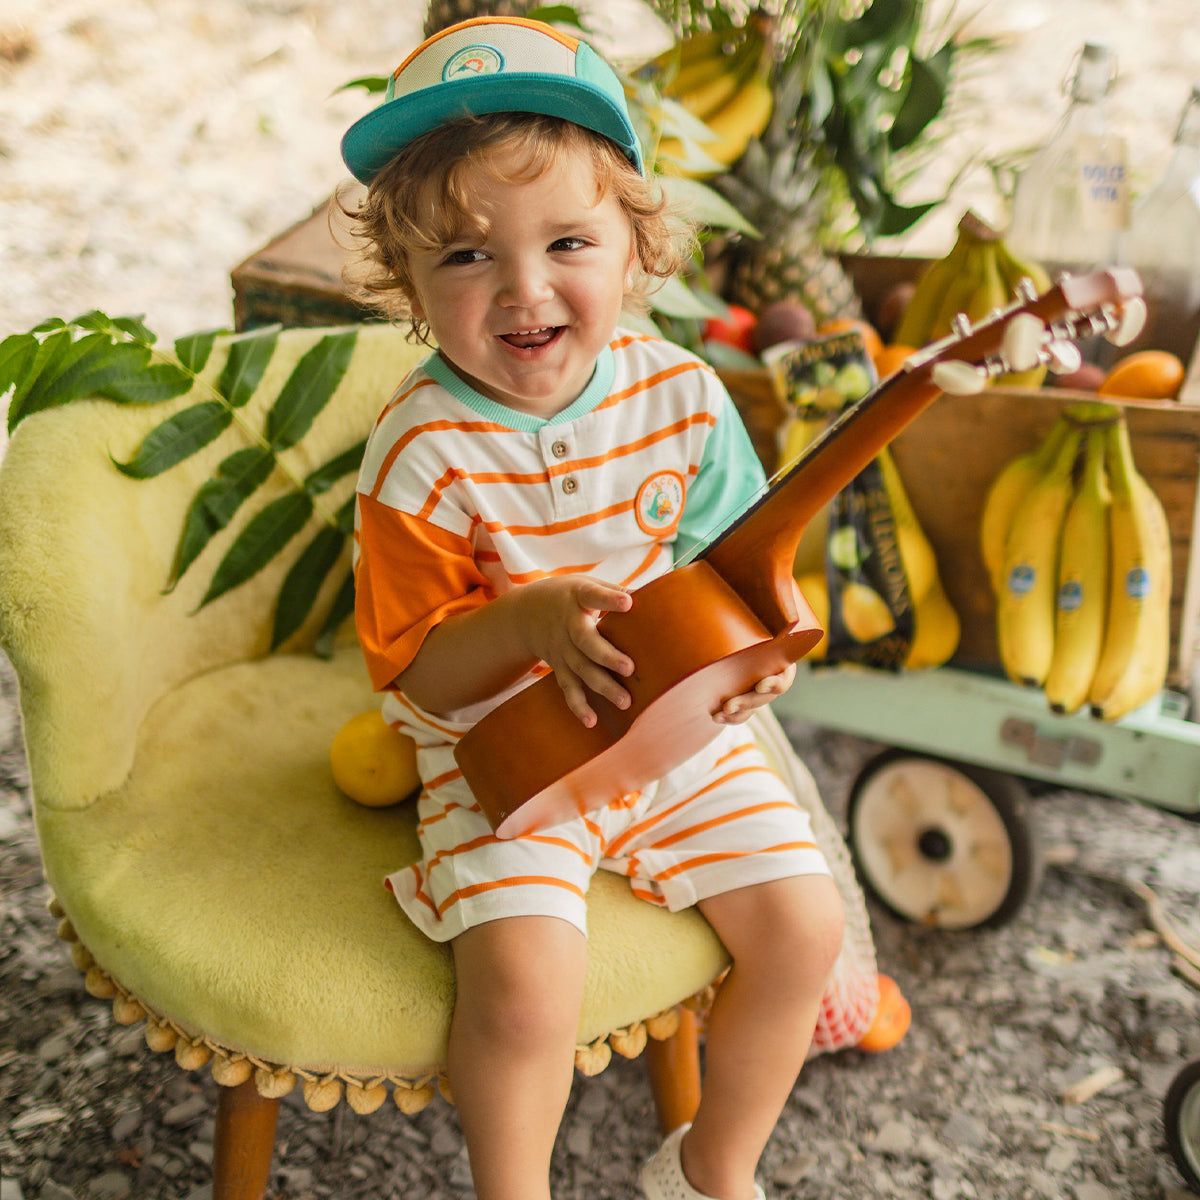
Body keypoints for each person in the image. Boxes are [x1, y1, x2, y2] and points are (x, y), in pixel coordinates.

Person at [340, 17, 845, 1200]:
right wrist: (524, 626)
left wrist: (760, 656)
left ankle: (712, 1167)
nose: (523, 288)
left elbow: (737, 567)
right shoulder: (419, 450)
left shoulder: (683, 392)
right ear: (405, 282)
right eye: (464, 257)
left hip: (675, 730)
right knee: (523, 992)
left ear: (635, 246)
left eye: (568, 239)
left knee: (804, 928)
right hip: (503, 746)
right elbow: (415, 674)